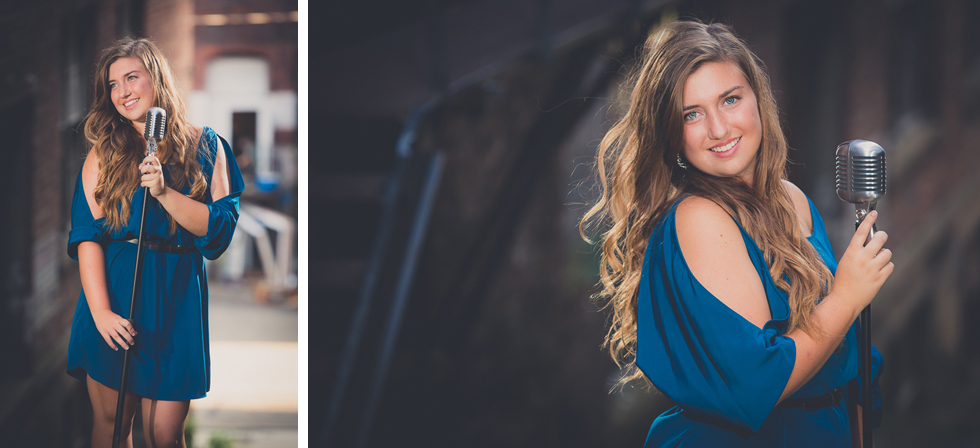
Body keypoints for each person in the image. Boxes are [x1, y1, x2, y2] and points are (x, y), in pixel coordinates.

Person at [580, 21, 892, 447]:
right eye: (692, 114)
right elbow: (757, 380)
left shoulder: (791, 198)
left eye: (730, 99)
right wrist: (847, 297)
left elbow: (849, 359)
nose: (720, 129)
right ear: (673, 134)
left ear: (757, 100)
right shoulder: (699, 218)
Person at [66, 37, 244, 447]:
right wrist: (102, 313)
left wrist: (164, 192)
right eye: (113, 84)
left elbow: (218, 232)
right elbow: (87, 238)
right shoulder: (102, 155)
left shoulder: (208, 146)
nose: (123, 92)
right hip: (116, 294)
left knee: (165, 433)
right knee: (113, 426)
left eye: (132, 78)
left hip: (178, 294)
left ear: (157, 79)